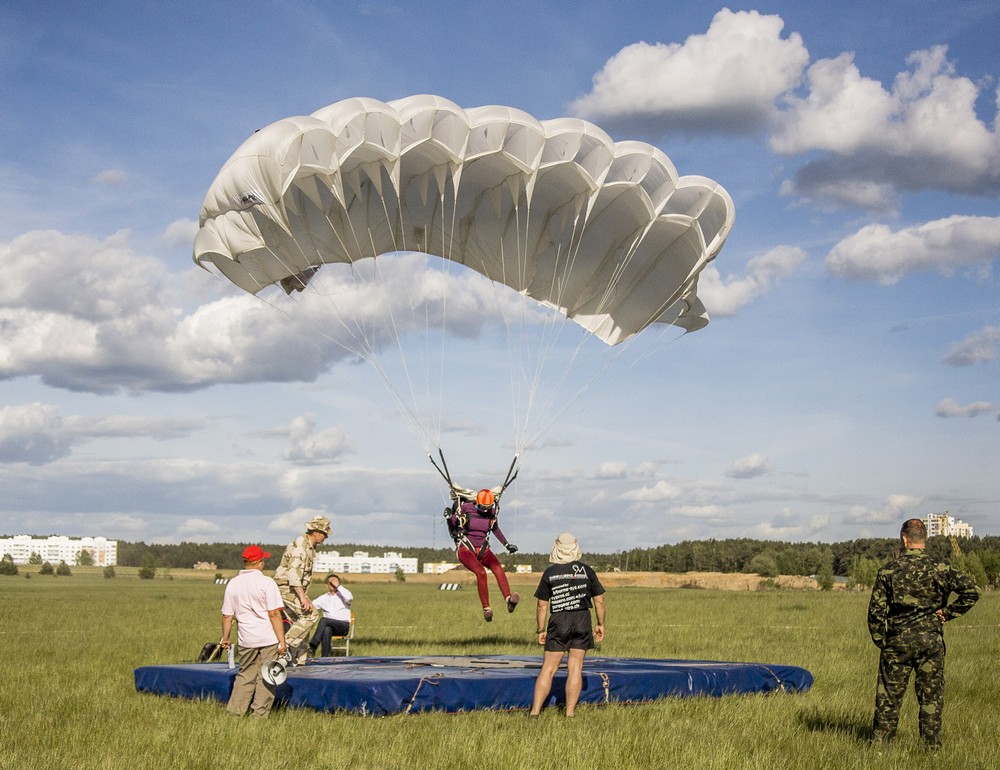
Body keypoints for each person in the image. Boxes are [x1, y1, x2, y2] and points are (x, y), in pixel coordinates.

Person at [867, 518, 980, 749]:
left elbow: (876, 612)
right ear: (924, 539)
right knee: (931, 697)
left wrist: (882, 641)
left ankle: (880, 748)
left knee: (888, 698)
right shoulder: (941, 568)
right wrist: (948, 613)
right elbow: (972, 591)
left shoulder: (888, 570)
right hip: (930, 642)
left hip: (897, 643)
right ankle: (931, 748)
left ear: (904, 539)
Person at [529, 532, 605, 717]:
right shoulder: (587, 571)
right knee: (575, 667)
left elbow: (542, 605)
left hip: (559, 620)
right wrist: (600, 624)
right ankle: (570, 713)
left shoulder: (550, 572)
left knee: (548, 668)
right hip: (582, 619)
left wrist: (541, 629)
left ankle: (535, 712)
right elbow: (599, 601)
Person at [220, 544, 287, 717]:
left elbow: (227, 616)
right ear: (258, 562)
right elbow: (274, 614)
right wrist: (282, 641)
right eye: (263, 560)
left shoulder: (233, 584)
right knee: (266, 675)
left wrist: (225, 638)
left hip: (246, 639)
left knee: (244, 675)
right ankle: (259, 714)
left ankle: (235, 712)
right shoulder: (267, 583)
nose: (263, 563)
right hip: (268, 638)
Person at [446, 487, 519, 621]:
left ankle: (508, 599)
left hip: (484, 548)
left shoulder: (491, 512)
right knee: (481, 573)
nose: (485, 510)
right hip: (465, 548)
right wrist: (449, 517)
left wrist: (507, 545)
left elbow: (495, 529)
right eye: (483, 507)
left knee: (497, 568)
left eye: (488, 507)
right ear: (476, 502)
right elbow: (453, 525)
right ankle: (486, 609)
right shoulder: (466, 508)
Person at [274, 514, 330, 663]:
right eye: (324, 533)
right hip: (287, 588)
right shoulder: (301, 548)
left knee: (302, 624)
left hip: (292, 588)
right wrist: (302, 597)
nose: (326, 537)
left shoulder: (309, 547)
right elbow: (293, 574)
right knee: (311, 615)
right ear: (316, 532)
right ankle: (282, 647)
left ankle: (299, 659)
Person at [309, 573, 354, 657]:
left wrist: (338, 586)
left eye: (335, 583)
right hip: (330, 627)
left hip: (343, 626)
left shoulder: (344, 595)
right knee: (327, 629)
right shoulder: (323, 598)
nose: (333, 585)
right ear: (327, 585)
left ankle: (313, 646)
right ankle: (325, 657)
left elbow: (349, 598)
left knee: (324, 620)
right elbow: (311, 606)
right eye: (331, 583)